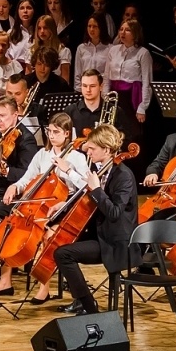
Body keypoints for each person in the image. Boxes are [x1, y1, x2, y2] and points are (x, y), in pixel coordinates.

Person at [0, 112, 90, 305]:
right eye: (49, 131)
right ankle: (5, 280)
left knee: (47, 237)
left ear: (67, 134)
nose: (51, 135)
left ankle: (44, 286)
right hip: (39, 205)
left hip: (65, 207)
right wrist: (15, 186)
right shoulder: (42, 154)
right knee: (13, 227)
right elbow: (28, 179)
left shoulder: (77, 157)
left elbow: (84, 186)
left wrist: (68, 170)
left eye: (56, 132)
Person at [51, 124, 138, 318]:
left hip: (116, 242)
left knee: (63, 254)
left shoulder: (123, 176)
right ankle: (82, 301)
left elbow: (114, 213)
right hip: (100, 234)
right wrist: (64, 205)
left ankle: (88, 307)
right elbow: (88, 199)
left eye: (92, 149)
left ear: (106, 149)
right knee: (60, 243)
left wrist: (97, 189)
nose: (87, 152)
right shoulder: (100, 170)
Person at [0, 95, 40, 294]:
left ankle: (7, 267)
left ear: (16, 115)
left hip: (17, 193)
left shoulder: (26, 139)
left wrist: (7, 172)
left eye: (3, 116)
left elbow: (28, 174)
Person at [104, 18, 153, 124]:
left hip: (131, 96)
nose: (122, 32)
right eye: (121, 29)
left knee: (130, 129)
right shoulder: (113, 50)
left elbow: (146, 83)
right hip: (114, 96)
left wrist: (142, 106)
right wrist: (105, 98)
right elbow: (107, 77)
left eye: (127, 30)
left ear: (135, 34)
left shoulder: (143, 53)